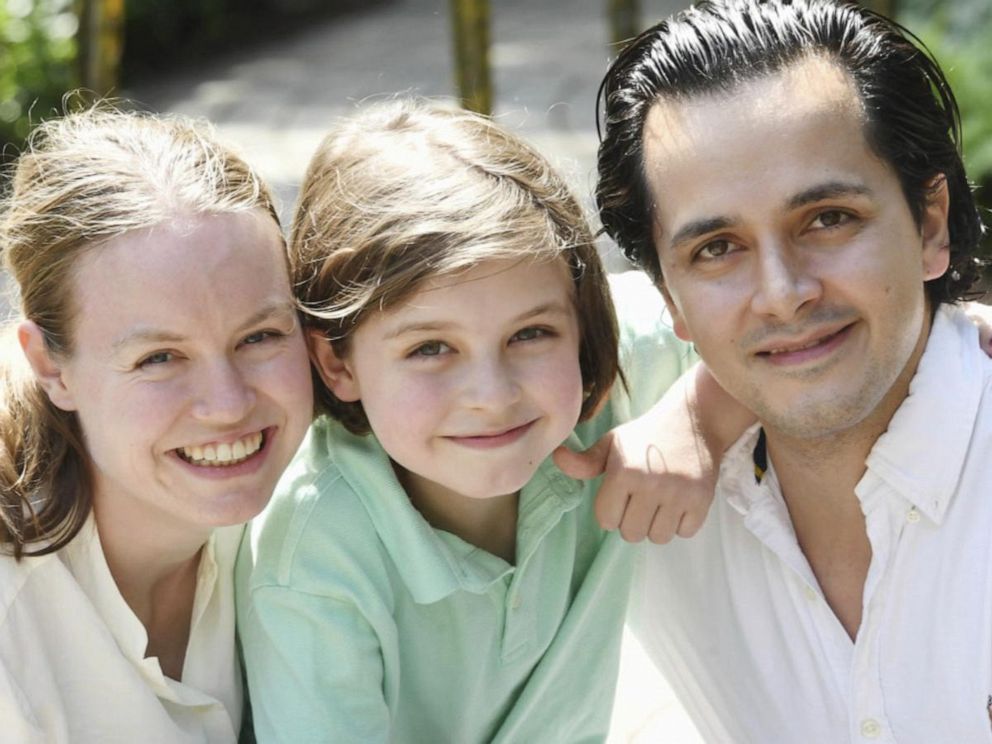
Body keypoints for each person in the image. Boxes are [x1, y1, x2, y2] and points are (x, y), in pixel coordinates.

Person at [234, 99, 723, 742]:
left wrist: (701, 414)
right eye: (430, 349)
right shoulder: (314, 557)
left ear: (580, 323)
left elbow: (768, 334)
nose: (492, 396)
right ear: (337, 363)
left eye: (531, 334)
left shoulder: (608, 379)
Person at [596, 0, 991, 740]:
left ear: (929, 224)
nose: (782, 294)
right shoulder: (613, 493)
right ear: (667, 299)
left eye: (828, 218)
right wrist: (689, 415)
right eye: (716, 248)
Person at [0, 107, 314, 743]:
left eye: (259, 336)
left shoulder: (320, 493)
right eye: (159, 358)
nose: (227, 404)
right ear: (51, 367)